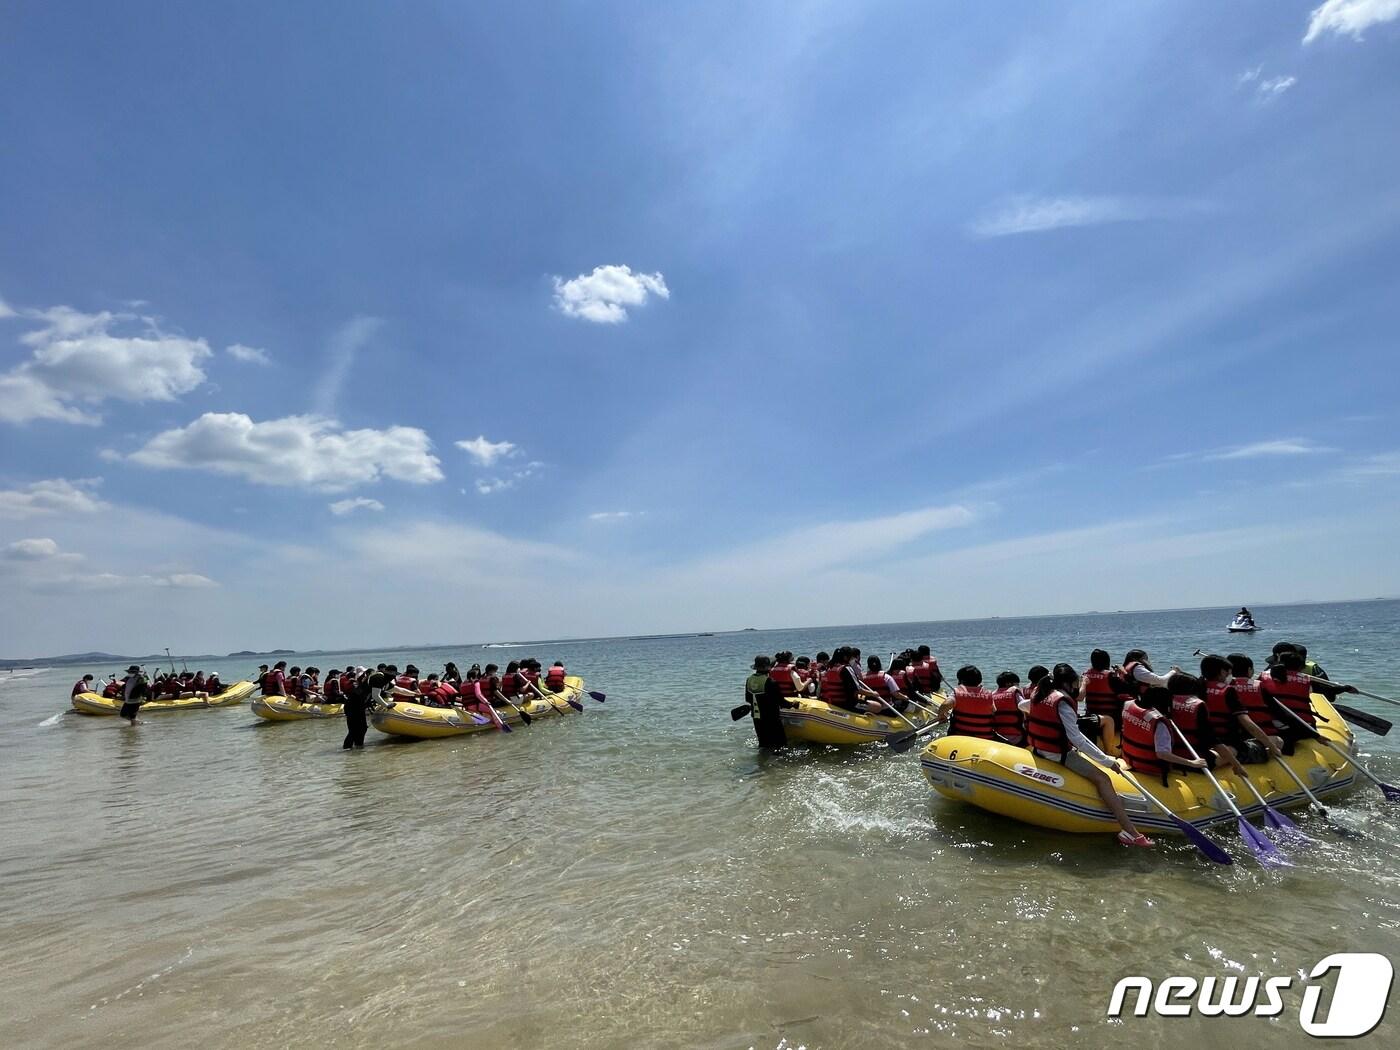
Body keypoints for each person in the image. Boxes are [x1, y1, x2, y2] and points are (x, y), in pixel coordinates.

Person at [1024, 663, 1154, 847]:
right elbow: (1077, 740)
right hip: (1058, 754)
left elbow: (1024, 705)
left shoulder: (1040, 692)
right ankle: (1130, 832)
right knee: (1103, 779)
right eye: (1076, 682)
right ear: (1069, 684)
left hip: (1039, 749)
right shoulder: (1062, 703)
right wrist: (1107, 762)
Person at [1200, 654, 1280, 764]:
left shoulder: (1198, 687)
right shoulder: (1228, 691)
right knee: (1278, 741)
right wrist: (1272, 747)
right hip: (1227, 743)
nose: (1230, 676)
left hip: (1203, 741)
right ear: (1222, 672)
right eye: (1228, 672)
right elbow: (1247, 723)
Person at [1121, 685, 1210, 784]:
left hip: (1130, 759)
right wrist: (1192, 763)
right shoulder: (1159, 724)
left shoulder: (1128, 705)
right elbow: (1162, 754)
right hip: (1150, 768)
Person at [1165, 673, 1246, 777]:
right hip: (1196, 761)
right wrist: (1236, 765)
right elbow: (1214, 742)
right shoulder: (1197, 707)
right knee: (1233, 750)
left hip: (1170, 758)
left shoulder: (1164, 703)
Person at [940, 665, 998, 739]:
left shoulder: (958, 692)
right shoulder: (988, 695)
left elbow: (945, 704)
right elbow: (994, 711)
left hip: (961, 736)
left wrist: (941, 715)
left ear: (961, 681)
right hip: (984, 738)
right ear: (979, 680)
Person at [1080, 649, 1129, 736]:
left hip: (1091, 717)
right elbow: (1129, 689)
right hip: (1112, 720)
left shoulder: (1085, 675)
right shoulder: (1111, 676)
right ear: (1107, 662)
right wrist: (1123, 673)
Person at [745, 655, 790, 748]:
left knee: (763, 745)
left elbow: (748, 699)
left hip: (757, 718)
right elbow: (782, 703)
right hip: (772, 719)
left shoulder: (749, 680)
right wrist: (793, 704)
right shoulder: (770, 682)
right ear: (767, 667)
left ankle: (761, 762)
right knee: (781, 745)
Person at [343, 666, 378, 750]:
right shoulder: (356, 684)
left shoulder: (363, 684)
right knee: (354, 730)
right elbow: (360, 694)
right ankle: (348, 748)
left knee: (362, 728)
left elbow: (365, 697)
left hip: (358, 708)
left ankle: (358, 746)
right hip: (352, 708)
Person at [990, 671, 1026, 746]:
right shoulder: (1014, 693)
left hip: (998, 738)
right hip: (1017, 738)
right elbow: (1026, 709)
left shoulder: (992, 695)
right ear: (1009, 684)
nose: (1018, 686)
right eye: (1017, 684)